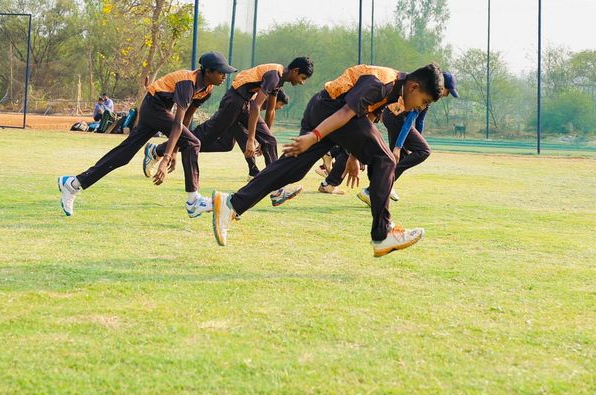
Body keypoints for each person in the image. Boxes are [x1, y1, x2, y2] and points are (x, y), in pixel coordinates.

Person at [211, 63, 447, 258]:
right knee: (386, 160)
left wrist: (353, 156)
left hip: (324, 109)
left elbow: (368, 117)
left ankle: (231, 204)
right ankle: (383, 232)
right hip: (330, 112)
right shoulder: (382, 83)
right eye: (424, 101)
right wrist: (313, 138)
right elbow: (346, 113)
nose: (420, 107)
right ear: (414, 86)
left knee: (291, 170)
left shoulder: (396, 88)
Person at [58, 51, 236, 220]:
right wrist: (166, 157)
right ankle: (193, 200)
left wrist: (174, 150)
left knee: (123, 155)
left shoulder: (207, 88)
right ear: (208, 71)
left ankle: (73, 184)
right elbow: (177, 123)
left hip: (158, 110)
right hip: (153, 108)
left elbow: (187, 118)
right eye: (221, 72)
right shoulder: (187, 83)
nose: (224, 76)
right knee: (194, 142)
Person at [312, 70, 459, 202]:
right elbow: (408, 122)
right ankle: (376, 187)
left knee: (392, 155)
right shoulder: (423, 92)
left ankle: (376, 185)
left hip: (390, 116)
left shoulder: (426, 98)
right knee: (422, 151)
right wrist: (398, 146)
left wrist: (408, 143)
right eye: (448, 90)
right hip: (395, 117)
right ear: (440, 85)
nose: (447, 95)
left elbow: (419, 121)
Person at [169, 57, 313, 181]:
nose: (302, 82)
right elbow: (257, 106)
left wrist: (265, 138)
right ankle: (160, 150)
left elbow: (270, 111)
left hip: (244, 103)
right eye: (303, 78)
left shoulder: (279, 78)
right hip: (234, 101)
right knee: (201, 139)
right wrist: (251, 140)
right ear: (295, 71)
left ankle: (275, 188)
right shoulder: (274, 75)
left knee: (268, 141)